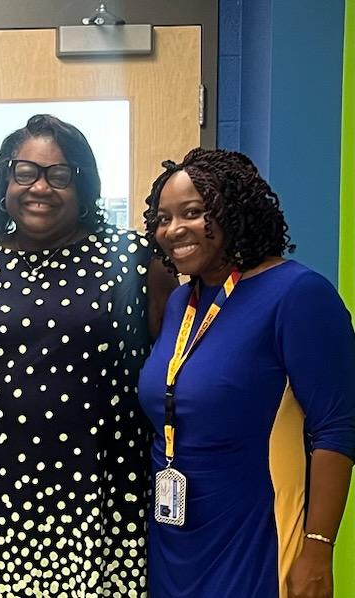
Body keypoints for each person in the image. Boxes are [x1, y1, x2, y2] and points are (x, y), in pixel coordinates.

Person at [0, 114, 176, 597]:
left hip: (103, 497)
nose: (40, 187)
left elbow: (169, 367)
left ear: (83, 184)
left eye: (60, 174)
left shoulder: (135, 260)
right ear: (5, 182)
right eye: (25, 171)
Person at [138, 148, 355, 598]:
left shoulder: (298, 294)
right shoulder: (183, 301)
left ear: (234, 210)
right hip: (174, 536)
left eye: (194, 213)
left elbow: (337, 428)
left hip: (255, 534)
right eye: (163, 218)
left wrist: (317, 551)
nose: (174, 229)